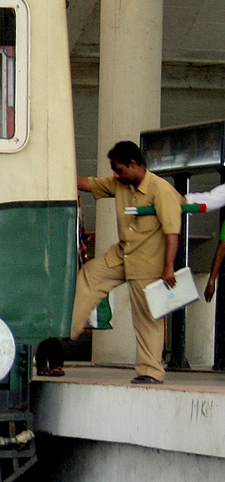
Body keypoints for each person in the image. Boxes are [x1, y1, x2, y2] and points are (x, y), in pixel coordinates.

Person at [72, 140, 183, 384]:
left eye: (118, 169)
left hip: (149, 263)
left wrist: (168, 267)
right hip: (122, 255)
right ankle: (68, 331)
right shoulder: (121, 183)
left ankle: (150, 371)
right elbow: (89, 184)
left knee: (147, 319)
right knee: (90, 275)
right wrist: (58, 172)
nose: (115, 174)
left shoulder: (160, 190)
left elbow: (172, 233)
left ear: (133, 165)